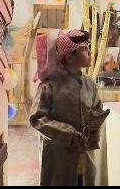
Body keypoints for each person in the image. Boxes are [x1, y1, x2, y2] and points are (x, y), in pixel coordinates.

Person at [30, 29, 108, 186]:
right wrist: (68, 133)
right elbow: (37, 118)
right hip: (59, 155)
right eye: (84, 49)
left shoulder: (89, 83)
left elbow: (97, 109)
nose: (89, 52)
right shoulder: (49, 85)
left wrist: (94, 128)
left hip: (85, 152)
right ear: (70, 57)